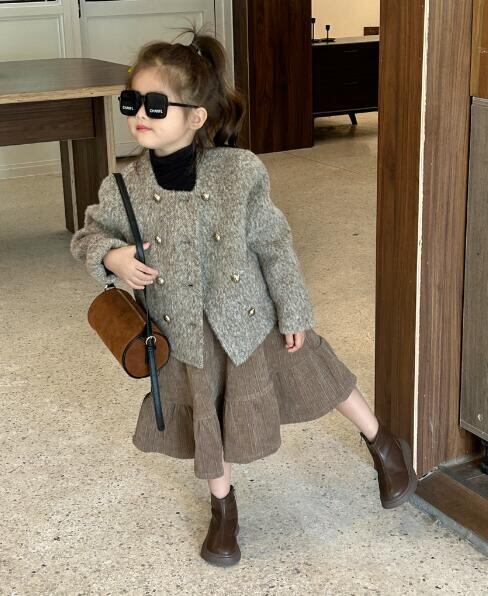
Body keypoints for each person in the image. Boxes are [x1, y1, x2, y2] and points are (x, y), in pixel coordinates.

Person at [70, 28, 417, 567]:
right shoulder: (123, 188)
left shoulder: (240, 173)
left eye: (156, 105)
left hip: (251, 317)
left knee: (316, 373)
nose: (140, 114)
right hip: (185, 335)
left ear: (196, 117)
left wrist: (293, 310)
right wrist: (112, 256)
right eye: (131, 102)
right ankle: (223, 508)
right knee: (206, 418)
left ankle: (383, 443)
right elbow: (87, 236)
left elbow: (274, 244)